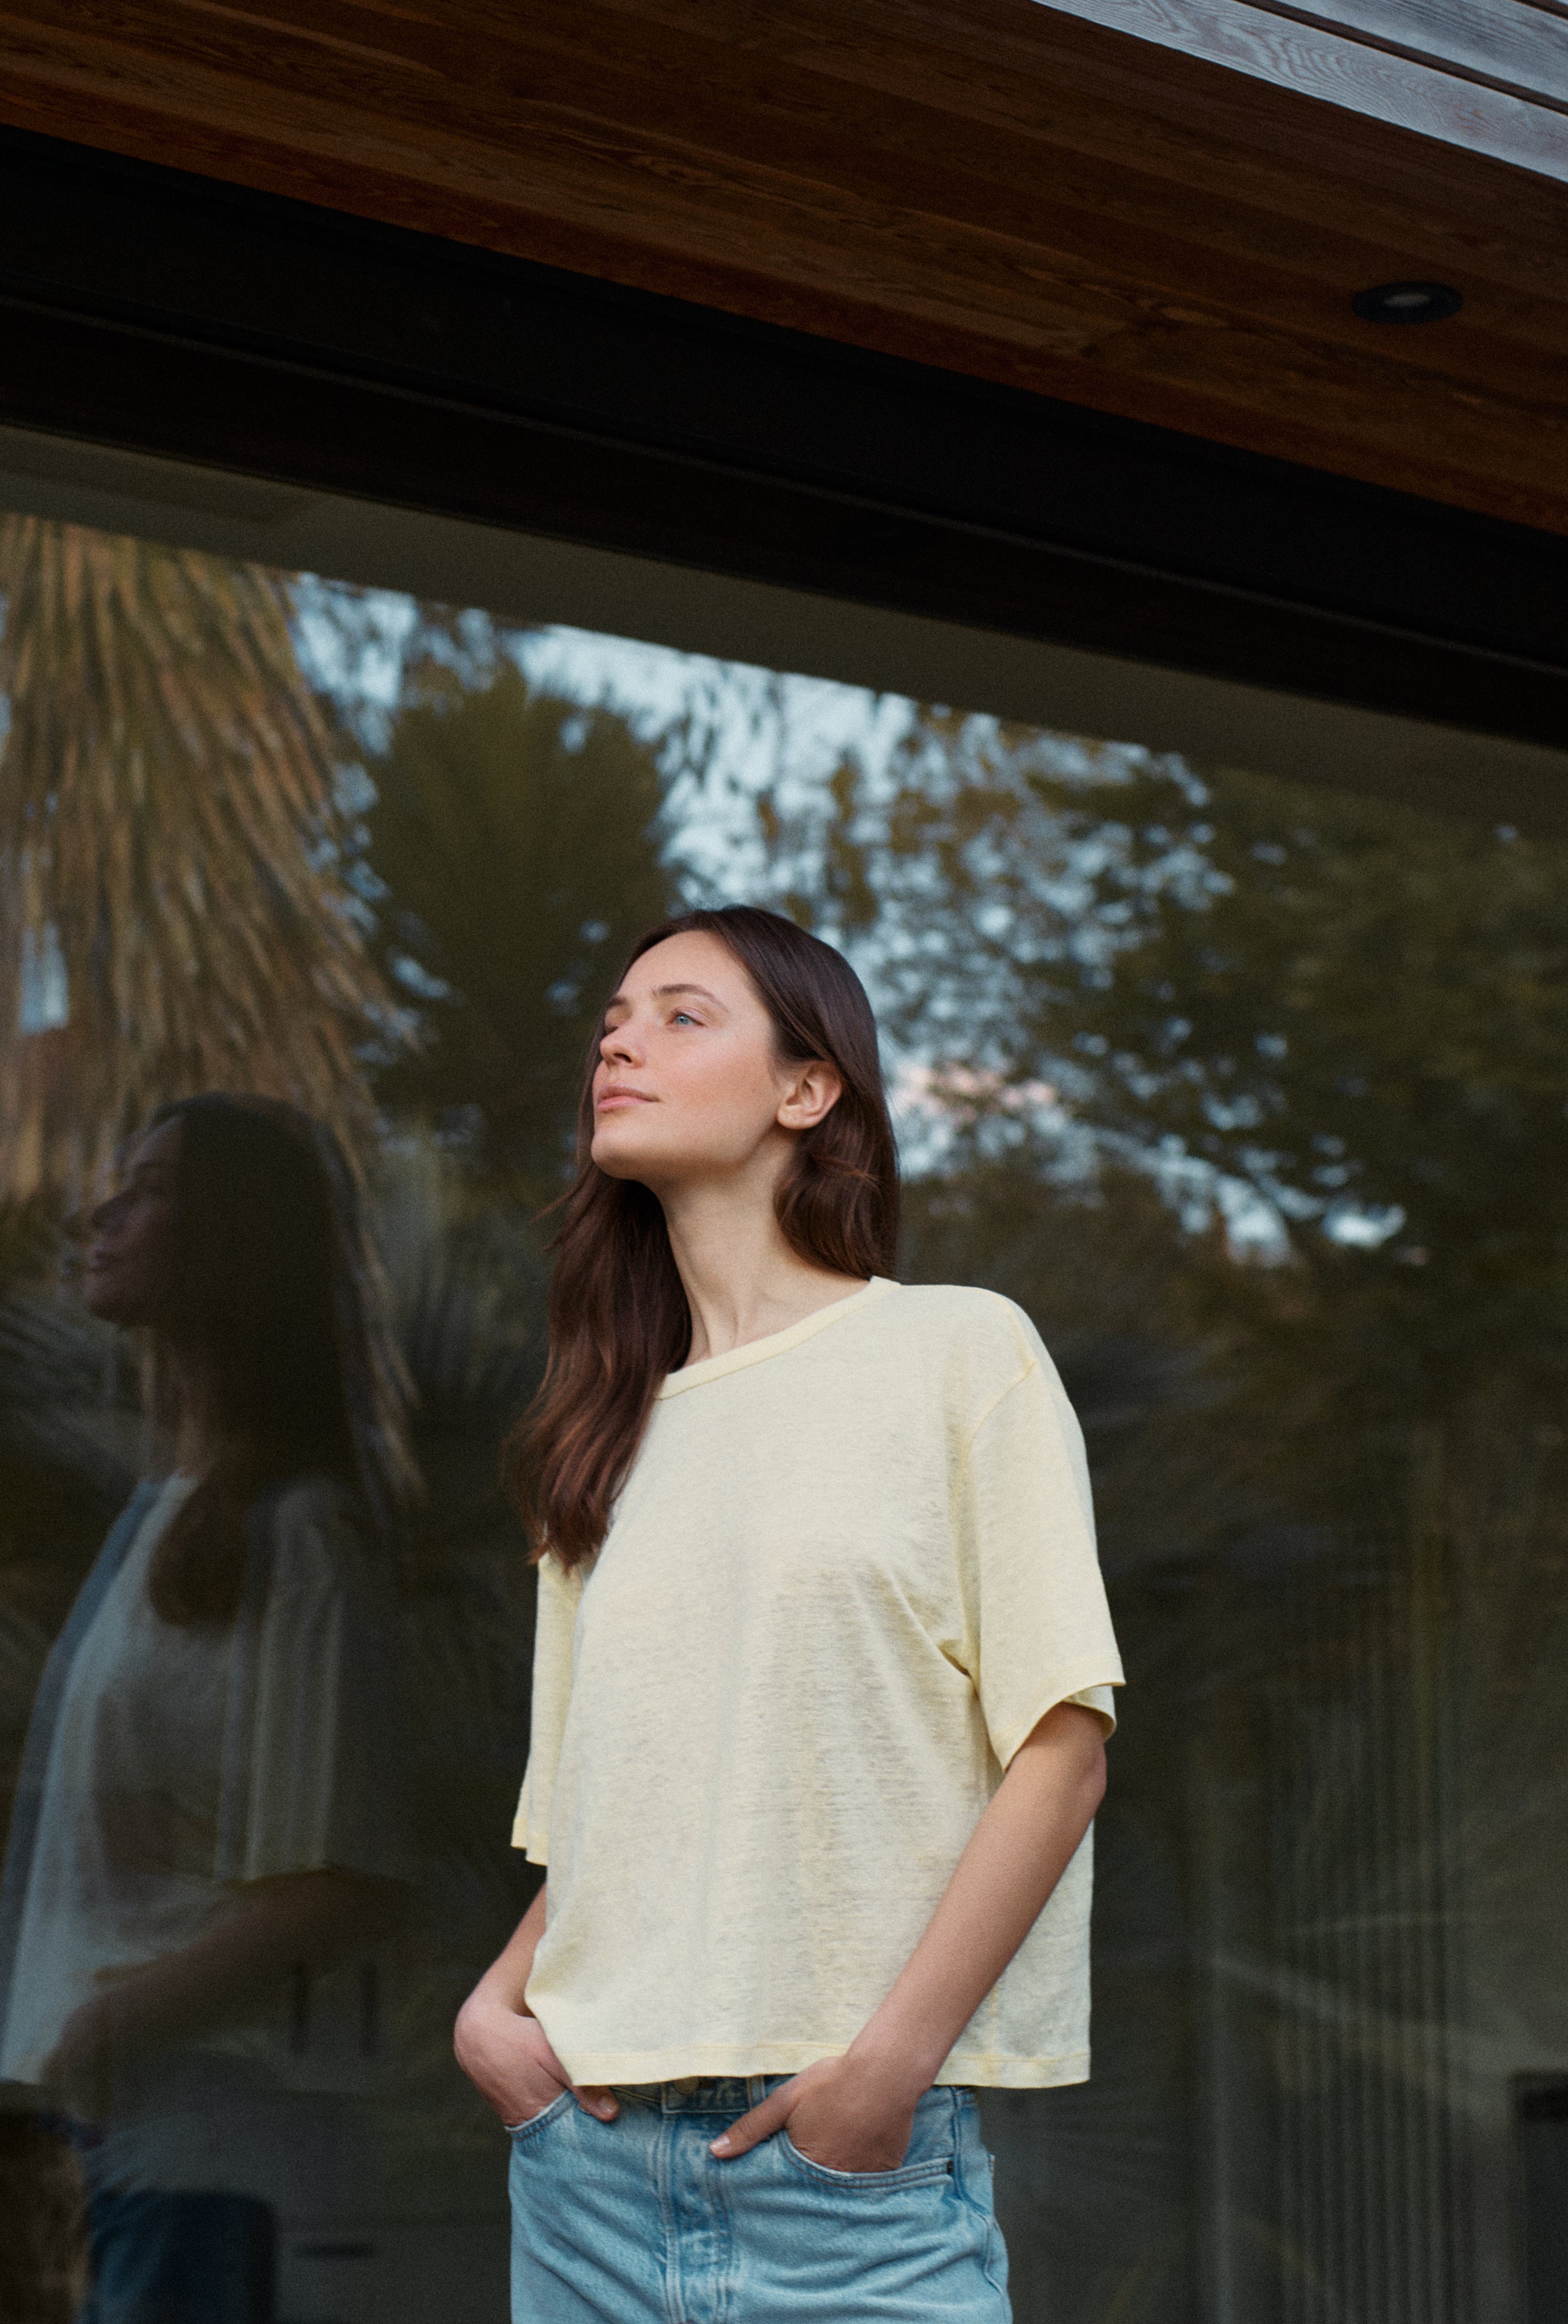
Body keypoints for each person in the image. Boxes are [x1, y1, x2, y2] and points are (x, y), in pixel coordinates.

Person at [454, 906, 1122, 2321]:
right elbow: (608, 1820)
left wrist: (883, 2076)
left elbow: (1061, 1750)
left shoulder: (960, 1353)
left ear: (806, 1090)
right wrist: (494, 2019)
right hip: (588, 2173)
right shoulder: (599, 1441)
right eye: (613, 1023)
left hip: (849, 2181)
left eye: (683, 1015)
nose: (621, 1040)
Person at [0, 1093, 419, 2324]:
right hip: (151, 2134)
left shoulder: (305, 1533)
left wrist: (107, 2016)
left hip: (222, 2143)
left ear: (233, 1243)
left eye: (152, 1187)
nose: (102, 1211)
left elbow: (345, 1884)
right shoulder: (172, 1514)